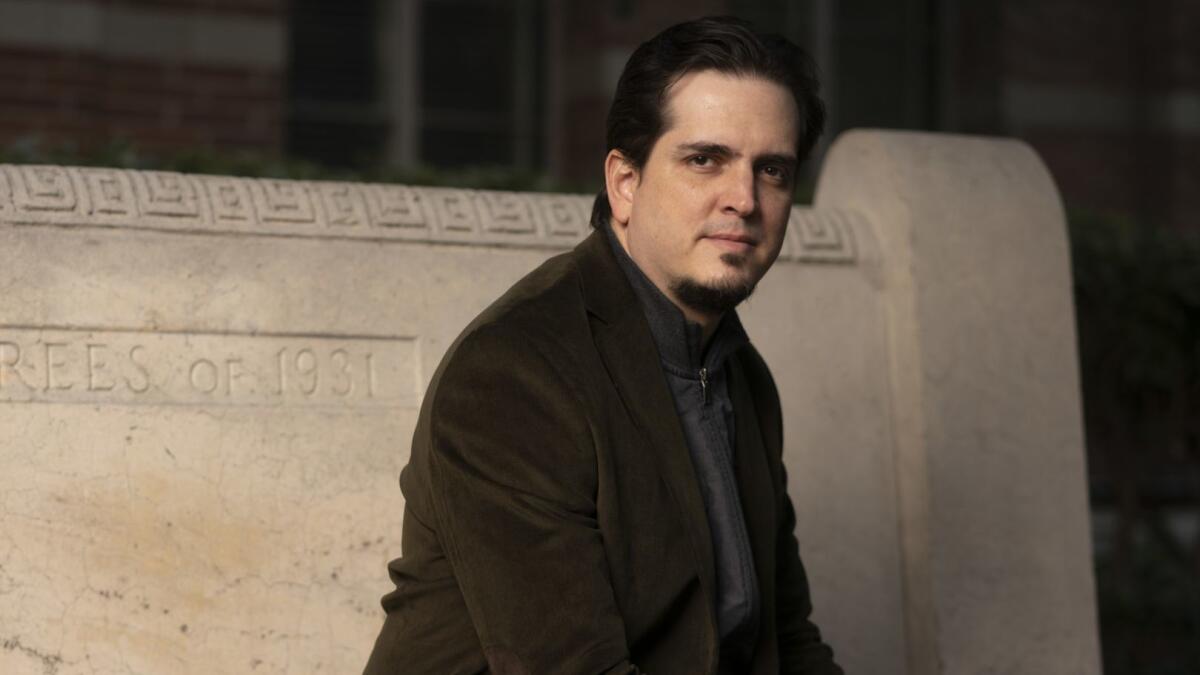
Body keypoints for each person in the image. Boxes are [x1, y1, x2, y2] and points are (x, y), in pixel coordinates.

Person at [364, 16, 843, 675]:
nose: (744, 199)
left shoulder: (742, 377)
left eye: (773, 170)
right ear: (625, 182)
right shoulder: (515, 376)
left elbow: (789, 645)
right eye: (705, 160)